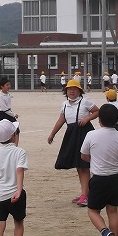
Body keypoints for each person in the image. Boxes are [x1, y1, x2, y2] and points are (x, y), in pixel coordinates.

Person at [80, 103, 118, 236]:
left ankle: (104, 232)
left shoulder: (91, 135)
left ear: (99, 120)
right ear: (117, 120)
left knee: (93, 210)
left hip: (99, 178)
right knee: (113, 210)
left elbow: (84, 156)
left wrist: (96, 159)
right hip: (116, 178)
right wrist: (116, 161)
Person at [47, 79, 99, 207]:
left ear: (79, 91)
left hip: (84, 133)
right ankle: (84, 193)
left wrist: (87, 118)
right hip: (72, 134)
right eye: (69, 89)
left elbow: (98, 111)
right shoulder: (65, 104)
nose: (71, 91)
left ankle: (85, 195)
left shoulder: (85, 101)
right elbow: (61, 120)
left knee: (84, 165)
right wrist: (52, 134)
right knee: (78, 165)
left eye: (74, 89)